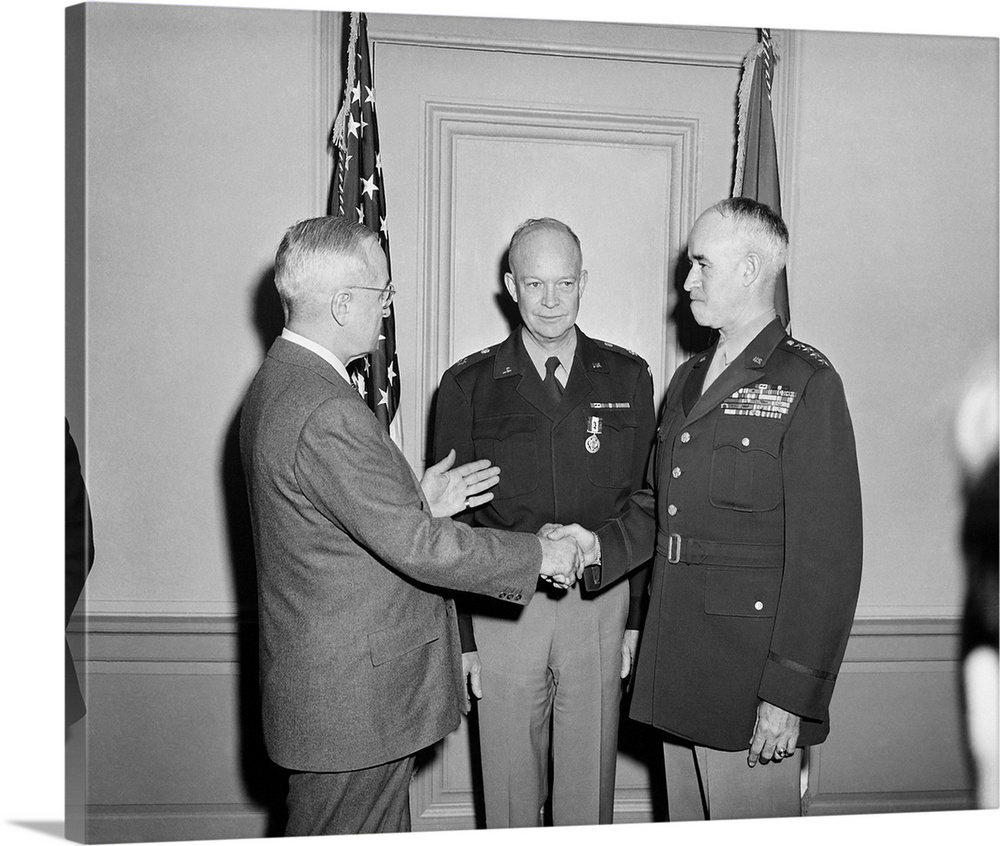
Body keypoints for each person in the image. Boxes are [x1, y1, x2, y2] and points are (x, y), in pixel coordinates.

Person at [238, 216, 581, 836]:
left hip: (335, 696)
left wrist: (414, 500)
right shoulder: (325, 409)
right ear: (343, 305)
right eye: (383, 294)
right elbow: (419, 550)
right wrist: (539, 556)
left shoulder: (284, 383)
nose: (387, 309)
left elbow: (336, 530)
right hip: (351, 707)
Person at [550, 197, 863, 820]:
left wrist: (789, 695)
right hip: (680, 665)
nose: (686, 281)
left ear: (750, 269)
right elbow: (655, 508)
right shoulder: (690, 379)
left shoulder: (807, 383)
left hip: (750, 682)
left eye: (701, 265)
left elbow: (826, 559)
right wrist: (595, 546)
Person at [432, 217, 656, 827]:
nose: (551, 301)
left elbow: (645, 504)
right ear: (511, 285)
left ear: (584, 282)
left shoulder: (629, 378)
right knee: (507, 789)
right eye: (535, 285)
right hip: (505, 604)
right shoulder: (467, 386)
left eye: (564, 284)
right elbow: (447, 528)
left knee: (589, 791)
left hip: (599, 603)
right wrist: (464, 637)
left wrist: (636, 619)